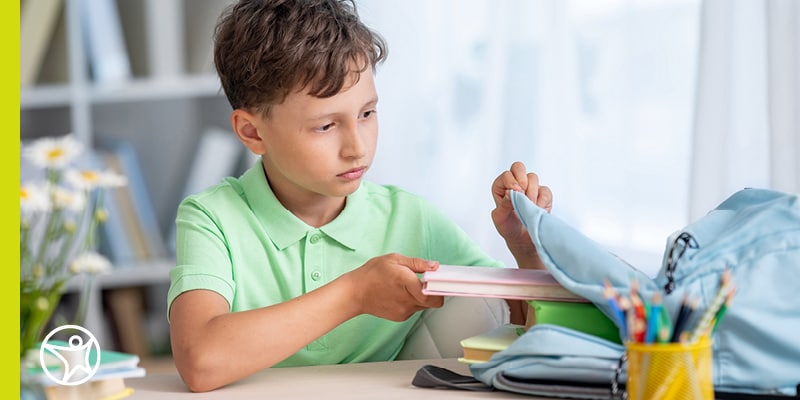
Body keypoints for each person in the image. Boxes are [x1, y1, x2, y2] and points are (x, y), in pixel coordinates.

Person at [167, 0, 553, 392]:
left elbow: (518, 322)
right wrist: (355, 294)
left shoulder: (408, 217)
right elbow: (200, 361)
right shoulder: (211, 217)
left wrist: (527, 249)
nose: (358, 147)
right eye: (325, 125)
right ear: (252, 133)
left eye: (367, 114)